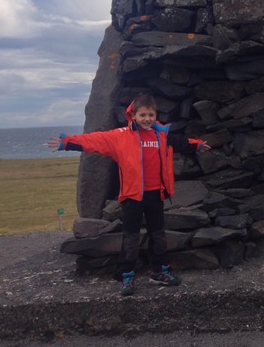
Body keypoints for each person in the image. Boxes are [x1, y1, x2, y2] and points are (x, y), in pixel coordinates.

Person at [47, 93, 211, 296]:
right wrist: (68, 143)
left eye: (151, 115)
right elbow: (96, 140)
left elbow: (180, 142)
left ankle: (159, 271)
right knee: (131, 238)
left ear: (155, 115)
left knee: (158, 236)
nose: (147, 119)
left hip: (155, 195)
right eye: (142, 115)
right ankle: (126, 274)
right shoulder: (121, 136)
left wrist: (197, 145)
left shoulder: (161, 135)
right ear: (133, 115)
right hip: (132, 197)